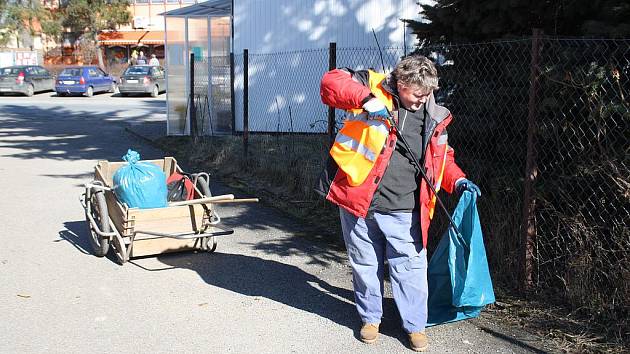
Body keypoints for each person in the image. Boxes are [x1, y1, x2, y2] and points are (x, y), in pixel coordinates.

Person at [315, 55, 481, 352]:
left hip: (406, 209)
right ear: (401, 84)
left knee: (410, 268)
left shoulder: (436, 115)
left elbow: (443, 158)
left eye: (427, 93)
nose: (422, 100)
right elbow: (330, 83)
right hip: (359, 200)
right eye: (417, 94)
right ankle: (370, 319)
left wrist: (457, 181)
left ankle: (414, 326)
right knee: (365, 264)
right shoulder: (370, 85)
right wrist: (364, 98)